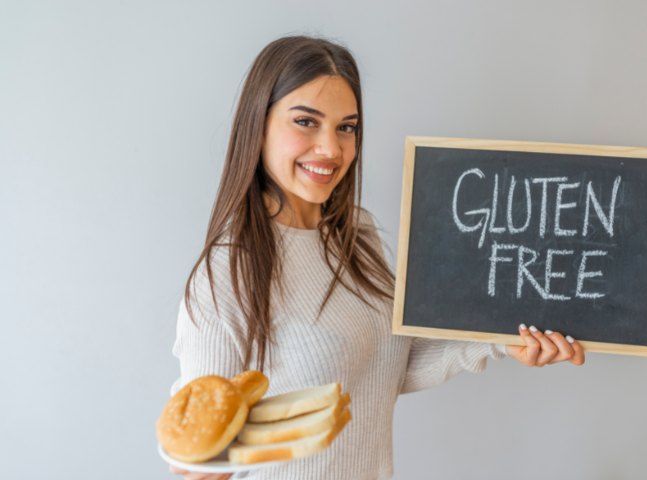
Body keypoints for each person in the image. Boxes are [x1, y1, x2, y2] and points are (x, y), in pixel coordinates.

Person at [167, 34, 586, 480]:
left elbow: (385, 369)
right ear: (259, 123)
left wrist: (502, 341)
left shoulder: (356, 235)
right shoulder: (228, 273)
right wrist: (209, 461)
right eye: (306, 121)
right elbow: (196, 458)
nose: (331, 148)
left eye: (346, 127)